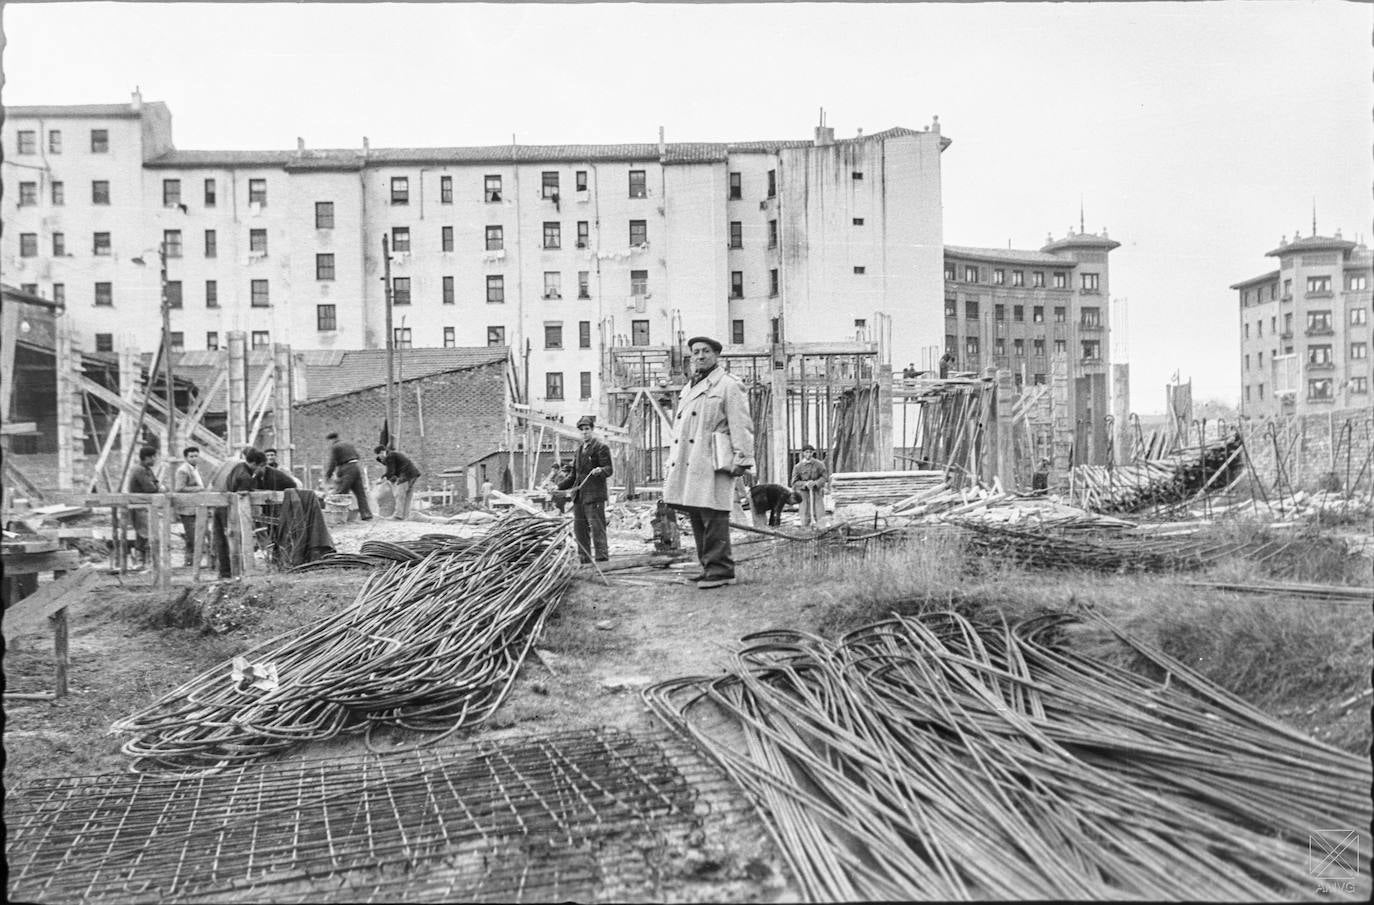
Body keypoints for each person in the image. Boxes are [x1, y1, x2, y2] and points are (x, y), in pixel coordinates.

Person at [663, 335, 754, 590]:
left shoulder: (728, 385)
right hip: (690, 461)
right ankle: (708, 566)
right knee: (696, 513)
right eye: (695, 352)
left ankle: (721, 570)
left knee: (714, 515)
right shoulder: (689, 387)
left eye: (705, 352)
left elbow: (741, 424)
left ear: (716, 355)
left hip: (714, 459)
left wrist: (742, 459)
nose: (700, 356)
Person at [558, 415, 613, 563]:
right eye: (582, 430)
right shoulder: (578, 451)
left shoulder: (601, 448)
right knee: (580, 530)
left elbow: (609, 469)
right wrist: (558, 487)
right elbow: (573, 476)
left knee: (597, 528)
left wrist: (600, 470)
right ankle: (585, 560)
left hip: (594, 496)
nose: (584, 432)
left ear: (592, 430)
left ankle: (602, 561)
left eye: (587, 429)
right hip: (579, 497)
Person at [208, 447, 266, 579]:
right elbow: (242, 495)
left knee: (221, 539)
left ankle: (224, 572)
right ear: (254, 464)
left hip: (220, 504)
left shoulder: (237, 466)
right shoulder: (246, 477)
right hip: (230, 510)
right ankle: (236, 571)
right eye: (261, 466)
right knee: (235, 538)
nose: (261, 470)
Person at [126, 445, 163, 568]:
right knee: (146, 534)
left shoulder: (146, 469)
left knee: (146, 534)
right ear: (147, 457)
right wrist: (159, 488)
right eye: (153, 457)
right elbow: (151, 488)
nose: (155, 460)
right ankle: (143, 563)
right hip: (139, 507)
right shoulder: (139, 470)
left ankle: (145, 563)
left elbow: (155, 483)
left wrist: (157, 487)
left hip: (146, 507)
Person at [324, 432, 372, 520]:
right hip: (356, 467)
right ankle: (366, 514)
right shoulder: (349, 444)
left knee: (341, 492)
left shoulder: (335, 447)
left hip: (347, 469)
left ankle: (339, 517)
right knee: (360, 493)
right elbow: (358, 456)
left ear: (331, 440)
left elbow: (332, 462)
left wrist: (328, 475)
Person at [172, 445, 206, 567]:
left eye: (196, 456)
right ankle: (192, 562)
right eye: (191, 456)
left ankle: (189, 561)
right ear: (186, 458)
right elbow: (179, 488)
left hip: (196, 507)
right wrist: (198, 489)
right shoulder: (183, 470)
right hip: (187, 509)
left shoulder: (195, 469)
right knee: (192, 536)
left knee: (195, 535)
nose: (194, 458)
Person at [375, 445, 422, 520]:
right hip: (413, 474)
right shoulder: (393, 455)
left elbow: (390, 472)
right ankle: (405, 516)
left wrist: (381, 479)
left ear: (382, 452)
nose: (380, 458)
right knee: (407, 495)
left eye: (379, 455)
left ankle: (398, 516)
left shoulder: (390, 455)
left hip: (406, 474)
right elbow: (391, 469)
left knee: (399, 494)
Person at [790, 444, 830, 529]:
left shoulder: (819, 464)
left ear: (813, 453)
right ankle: (805, 530)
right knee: (804, 513)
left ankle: (821, 530)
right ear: (803, 453)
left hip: (817, 492)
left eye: (810, 452)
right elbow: (794, 482)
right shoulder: (798, 467)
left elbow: (824, 477)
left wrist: (816, 483)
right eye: (806, 452)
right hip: (804, 494)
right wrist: (805, 484)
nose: (808, 454)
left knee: (819, 512)